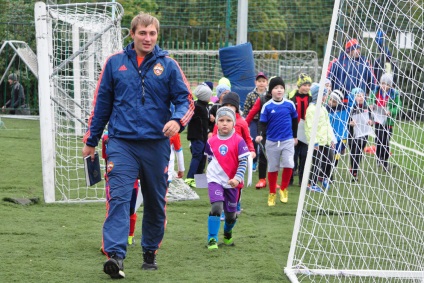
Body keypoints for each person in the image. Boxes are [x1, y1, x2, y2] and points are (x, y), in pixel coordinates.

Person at [82, 12, 194, 279]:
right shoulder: (114, 63)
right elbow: (101, 105)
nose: (147, 38)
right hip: (121, 144)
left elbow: (186, 101)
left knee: (155, 201)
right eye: (142, 33)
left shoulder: (168, 65)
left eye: (152, 33)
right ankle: (116, 257)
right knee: (119, 198)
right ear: (132, 34)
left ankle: (149, 252)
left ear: (157, 35)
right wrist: (91, 141)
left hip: (156, 146)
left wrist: (177, 121)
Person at [204, 106, 250, 250]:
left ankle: (228, 232)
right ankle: (212, 238)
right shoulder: (211, 141)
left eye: (228, 120)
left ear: (234, 123)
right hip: (215, 181)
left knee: (231, 215)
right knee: (217, 207)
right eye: (221, 120)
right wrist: (210, 175)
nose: (225, 123)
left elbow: (243, 162)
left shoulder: (239, 141)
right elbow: (210, 160)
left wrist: (237, 178)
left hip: (232, 182)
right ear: (216, 122)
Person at [255, 77, 298, 206]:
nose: (279, 90)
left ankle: (284, 189)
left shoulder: (289, 104)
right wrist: (260, 135)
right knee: (273, 167)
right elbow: (262, 123)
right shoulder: (267, 106)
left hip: (287, 140)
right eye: (276, 88)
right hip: (272, 141)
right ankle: (272, 192)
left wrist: (295, 136)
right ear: (271, 91)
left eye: (281, 88)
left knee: (289, 164)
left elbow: (295, 121)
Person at [212, 91, 255, 216]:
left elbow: (248, 139)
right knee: (222, 183)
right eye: (227, 105)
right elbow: (214, 138)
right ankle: (225, 209)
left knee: (236, 184)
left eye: (232, 106)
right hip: (223, 159)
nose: (229, 108)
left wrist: (251, 150)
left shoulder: (241, 122)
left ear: (236, 107)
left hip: (237, 159)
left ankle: (236, 203)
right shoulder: (219, 122)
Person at [305, 83, 335, 192]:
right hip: (317, 143)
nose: (326, 97)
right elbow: (309, 127)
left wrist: (331, 139)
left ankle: (323, 178)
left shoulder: (323, 108)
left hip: (326, 141)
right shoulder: (312, 109)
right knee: (317, 163)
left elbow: (328, 125)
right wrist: (314, 142)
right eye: (324, 95)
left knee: (330, 160)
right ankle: (311, 184)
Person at [368, 73, 401, 171]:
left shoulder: (395, 94)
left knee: (386, 141)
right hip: (378, 120)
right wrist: (371, 105)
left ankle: (385, 161)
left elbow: (398, 106)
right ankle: (379, 157)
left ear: (390, 85)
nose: (384, 86)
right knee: (379, 140)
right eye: (383, 83)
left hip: (388, 122)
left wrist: (391, 111)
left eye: (387, 84)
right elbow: (369, 101)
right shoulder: (375, 91)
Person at [185, 82, 212, 187]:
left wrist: (210, 120)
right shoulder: (197, 107)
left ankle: (200, 180)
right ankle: (189, 178)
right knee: (197, 156)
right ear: (205, 97)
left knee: (202, 157)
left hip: (203, 136)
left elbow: (205, 122)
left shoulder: (205, 107)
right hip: (197, 136)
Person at [287, 73, 312, 186]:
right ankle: (290, 179)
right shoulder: (292, 98)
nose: (306, 87)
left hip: (306, 131)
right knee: (292, 155)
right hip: (294, 131)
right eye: (304, 85)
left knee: (304, 156)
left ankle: (302, 180)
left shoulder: (311, 98)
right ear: (299, 85)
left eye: (308, 85)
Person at [243, 72, 268, 171]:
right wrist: (246, 121)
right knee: (253, 139)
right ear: (255, 82)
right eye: (259, 81)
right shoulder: (251, 95)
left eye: (263, 81)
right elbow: (246, 109)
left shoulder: (269, 94)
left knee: (264, 141)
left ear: (266, 82)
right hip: (253, 120)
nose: (261, 83)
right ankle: (254, 161)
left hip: (265, 121)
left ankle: (264, 161)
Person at [347, 88, 373, 182]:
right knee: (354, 151)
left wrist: (371, 122)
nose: (360, 97)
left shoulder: (366, 107)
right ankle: (354, 171)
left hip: (364, 133)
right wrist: (350, 123)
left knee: (359, 151)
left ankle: (355, 169)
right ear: (353, 97)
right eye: (358, 95)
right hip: (352, 133)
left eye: (362, 95)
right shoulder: (350, 107)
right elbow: (345, 121)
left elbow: (371, 118)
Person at [325, 89, 348, 181]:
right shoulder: (325, 108)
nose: (331, 102)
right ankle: (326, 173)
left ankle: (330, 173)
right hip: (329, 137)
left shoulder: (345, 109)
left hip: (341, 137)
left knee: (336, 157)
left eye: (334, 101)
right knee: (327, 156)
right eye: (330, 99)